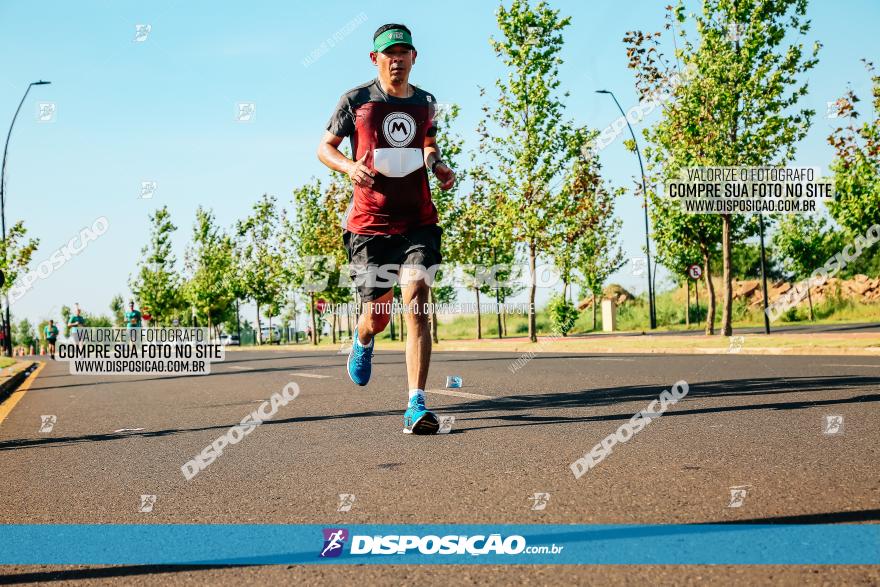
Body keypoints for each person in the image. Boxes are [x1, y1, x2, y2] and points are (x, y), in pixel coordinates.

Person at [317, 23, 456, 435]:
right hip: (369, 226)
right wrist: (349, 166)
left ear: (414, 57)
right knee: (377, 315)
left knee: (416, 297)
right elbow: (324, 148)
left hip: (418, 221)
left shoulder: (426, 103)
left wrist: (437, 164)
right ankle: (363, 340)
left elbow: (427, 143)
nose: (396, 59)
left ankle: (416, 404)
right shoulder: (356, 100)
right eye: (388, 53)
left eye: (403, 52)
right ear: (375, 59)